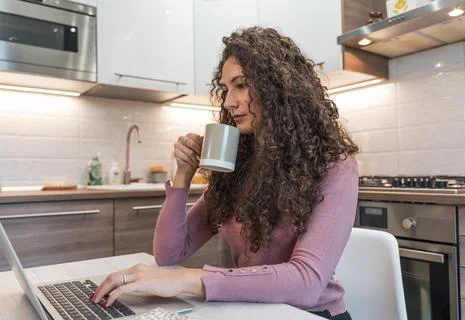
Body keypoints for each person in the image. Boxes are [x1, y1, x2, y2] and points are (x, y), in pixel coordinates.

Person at [92, 27, 359, 320]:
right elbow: (169, 254)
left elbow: (306, 281)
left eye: (241, 85)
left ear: (279, 88)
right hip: (250, 311)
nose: (229, 101)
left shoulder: (334, 165)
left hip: (312, 314)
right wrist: (183, 175)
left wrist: (187, 280)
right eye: (226, 89)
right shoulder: (238, 164)